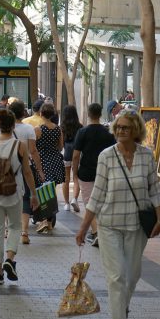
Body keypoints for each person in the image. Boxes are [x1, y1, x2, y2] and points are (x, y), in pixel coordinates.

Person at [75, 110, 160, 319]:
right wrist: (84, 227)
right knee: (116, 278)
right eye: (118, 127)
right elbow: (97, 194)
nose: (121, 131)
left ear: (136, 130)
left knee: (132, 276)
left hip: (137, 226)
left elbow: (154, 190)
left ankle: (121, 307)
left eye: (126, 127)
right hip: (109, 225)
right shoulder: (106, 156)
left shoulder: (146, 155)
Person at [0, 109, 39, 285]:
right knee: (14, 227)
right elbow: (27, 172)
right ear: (12, 125)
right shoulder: (20, 145)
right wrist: (33, 193)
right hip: (14, 193)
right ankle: (9, 258)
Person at [71, 102, 116, 248]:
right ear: (100, 113)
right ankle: (100, 231)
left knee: (90, 203)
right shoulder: (108, 133)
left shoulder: (82, 132)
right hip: (104, 173)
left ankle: (97, 232)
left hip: (86, 172)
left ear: (89, 114)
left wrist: (74, 171)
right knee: (102, 203)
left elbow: (76, 155)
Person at [7, 100, 45, 245]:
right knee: (25, 198)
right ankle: (24, 232)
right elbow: (33, 151)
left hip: (7, 167)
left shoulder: (3, 128)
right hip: (25, 167)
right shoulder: (28, 129)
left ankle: (6, 229)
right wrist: (40, 170)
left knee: (7, 195)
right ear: (23, 112)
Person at [33, 103, 64, 233]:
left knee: (42, 191)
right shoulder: (58, 129)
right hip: (55, 160)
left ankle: (44, 220)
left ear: (41, 113)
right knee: (51, 191)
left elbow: (33, 147)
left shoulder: (38, 129)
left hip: (42, 161)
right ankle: (50, 222)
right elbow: (61, 146)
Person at [60, 105, 82, 212]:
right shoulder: (80, 126)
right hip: (77, 154)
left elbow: (61, 143)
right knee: (76, 177)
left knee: (66, 179)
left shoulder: (62, 127)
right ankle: (75, 199)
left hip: (66, 154)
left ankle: (66, 203)